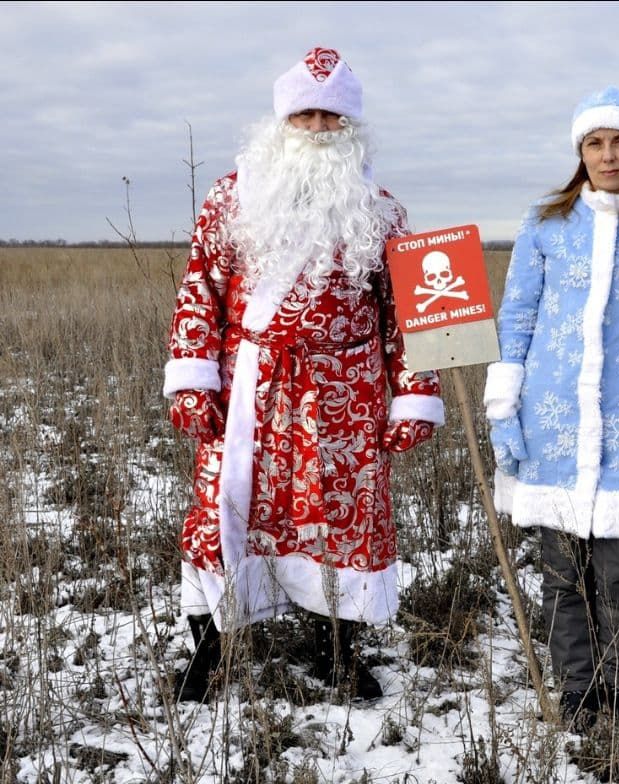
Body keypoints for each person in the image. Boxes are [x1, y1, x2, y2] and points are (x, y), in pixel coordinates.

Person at [163, 46, 444, 704]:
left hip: (348, 394)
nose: (318, 129)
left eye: (332, 118)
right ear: (281, 122)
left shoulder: (384, 213)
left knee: (339, 525)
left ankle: (335, 654)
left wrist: (415, 398)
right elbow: (199, 290)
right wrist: (192, 377)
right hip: (248, 392)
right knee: (223, 516)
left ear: (352, 129)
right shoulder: (229, 199)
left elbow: (407, 316)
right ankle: (210, 650)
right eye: (306, 115)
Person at [483, 87, 619, 730]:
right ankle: (577, 693)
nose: (608, 155)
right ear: (581, 151)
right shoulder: (546, 222)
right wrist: (503, 404)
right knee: (562, 575)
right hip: (553, 420)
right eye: (596, 144)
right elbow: (517, 313)